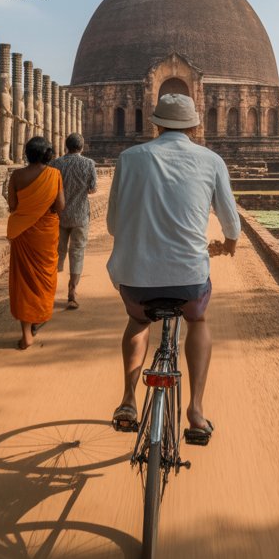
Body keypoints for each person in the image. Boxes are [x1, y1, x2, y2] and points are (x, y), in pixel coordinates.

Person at [105, 93, 239, 446]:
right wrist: (228, 246)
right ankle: (195, 411)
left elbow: (113, 224)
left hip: (135, 279)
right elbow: (232, 225)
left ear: (156, 122)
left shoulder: (129, 158)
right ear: (195, 125)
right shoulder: (211, 161)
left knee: (138, 321)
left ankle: (128, 402)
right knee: (197, 320)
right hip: (189, 281)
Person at [7, 136, 65, 350]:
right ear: (47, 154)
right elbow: (60, 206)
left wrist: (28, 210)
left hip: (22, 231)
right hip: (46, 233)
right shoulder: (54, 175)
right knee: (45, 277)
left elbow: (12, 204)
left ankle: (25, 334)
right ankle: (40, 314)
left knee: (23, 281)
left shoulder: (17, 175)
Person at [49, 132, 98, 309]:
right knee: (77, 252)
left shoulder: (56, 164)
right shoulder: (89, 164)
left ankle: (50, 290)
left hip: (59, 215)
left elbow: (51, 188)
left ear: (66, 146)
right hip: (80, 215)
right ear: (82, 147)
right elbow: (92, 189)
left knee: (57, 251)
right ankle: (72, 291)